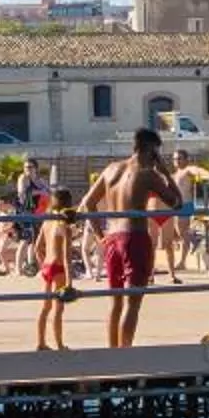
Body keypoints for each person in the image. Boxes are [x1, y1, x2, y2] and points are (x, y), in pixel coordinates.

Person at [78, 128, 184, 349]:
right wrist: (164, 171)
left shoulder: (110, 169)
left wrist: (100, 236)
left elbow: (88, 203)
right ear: (152, 150)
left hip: (112, 238)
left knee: (115, 301)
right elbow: (177, 202)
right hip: (134, 237)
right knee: (132, 302)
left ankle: (113, 353)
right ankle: (126, 353)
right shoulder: (147, 174)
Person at [32, 195, 78, 350]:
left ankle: (41, 342)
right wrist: (70, 282)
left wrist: (42, 265)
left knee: (45, 307)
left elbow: (37, 248)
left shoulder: (47, 221)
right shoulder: (64, 226)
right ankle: (59, 344)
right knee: (59, 308)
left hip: (47, 266)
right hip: (58, 268)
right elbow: (67, 257)